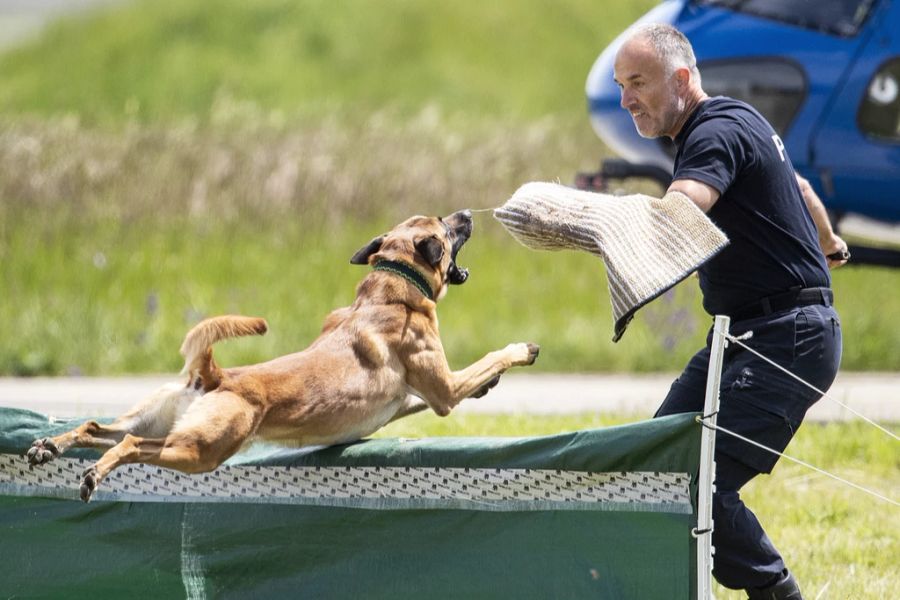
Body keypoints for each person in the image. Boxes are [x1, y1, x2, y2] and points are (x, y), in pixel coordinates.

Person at [613, 24, 847, 599]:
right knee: (657, 464)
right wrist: (827, 241)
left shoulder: (711, 132)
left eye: (638, 82)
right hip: (745, 333)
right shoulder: (740, 119)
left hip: (784, 337)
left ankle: (777, 593)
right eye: (622, 86)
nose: (626, 100)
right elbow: (795, 183)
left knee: (697, 484)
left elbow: (686, 208)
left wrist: (597, 220)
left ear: (682, 79)